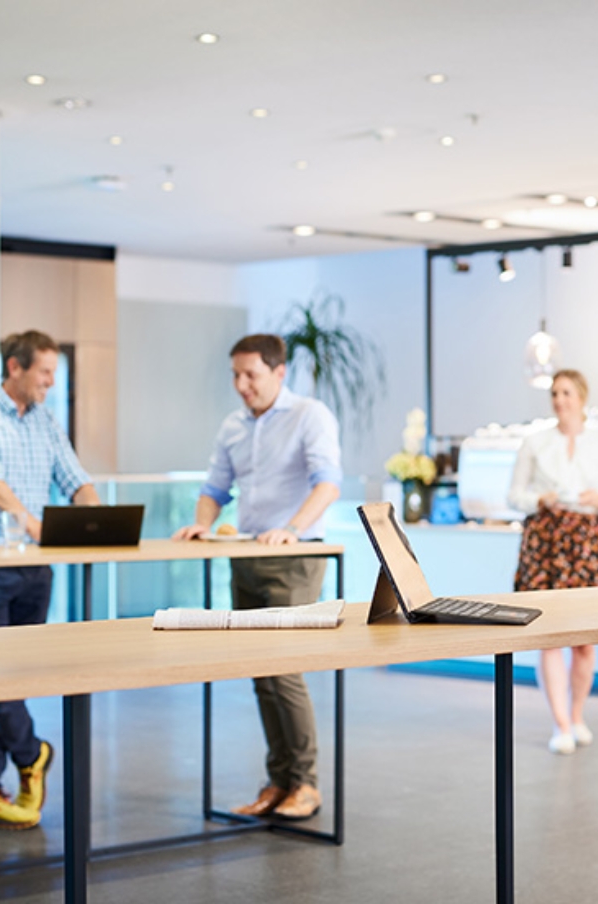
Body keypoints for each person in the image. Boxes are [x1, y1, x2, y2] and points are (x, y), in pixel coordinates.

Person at [172, 333, 341, 821]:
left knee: (284, 669)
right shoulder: (233, 426)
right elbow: (214, 487)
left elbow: (328, 483)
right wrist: (203, 521)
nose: (242, 385)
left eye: (252, 375)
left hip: (294, 557)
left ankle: (305, 784)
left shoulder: (311, 416)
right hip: (244, 556)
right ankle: (279, 781)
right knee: (260, 673)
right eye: (236, 375)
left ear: (279, 372)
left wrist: (290, 529)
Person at [0, 329, 101, 829]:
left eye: (54, 375)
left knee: (16, 678)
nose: (50, 383)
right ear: (14, 367)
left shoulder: (45, 421)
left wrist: (101, 519)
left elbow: (74, 476)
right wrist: (26, 518)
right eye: (44, 373)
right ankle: (32, 751)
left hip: (36, 568)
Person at [508, 369, 598, 755]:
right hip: (545, 540)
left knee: (585, 642)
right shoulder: (534, 442)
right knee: (549, 637)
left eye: (567, 393)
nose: (560, 400)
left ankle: (576, 715)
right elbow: (514, 495)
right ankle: (560, 723)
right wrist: (538, 499)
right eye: (555, 393)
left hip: (586, 542)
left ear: (582, 397)